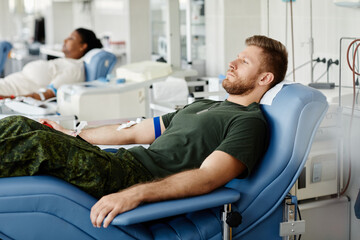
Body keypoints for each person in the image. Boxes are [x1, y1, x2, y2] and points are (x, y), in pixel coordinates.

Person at [0, 35, 288, 228]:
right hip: (117, 162)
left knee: (36, 144)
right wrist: (71, 134)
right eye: (236, 57)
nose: (232, 64)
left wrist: (134, 194)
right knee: (27, 126)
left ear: (265, 78)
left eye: (244, 62)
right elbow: (135, 132)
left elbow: (207, 178)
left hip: (131, 177)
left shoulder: (249, 122)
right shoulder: (204, 105)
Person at [0, 28, 103, 100]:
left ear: (83, 46)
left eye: (71, 38)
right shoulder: (63, 62)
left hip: (6, 93)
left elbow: (46, 95)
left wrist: (7, 98)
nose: (65, 40)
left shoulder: (74, 69)